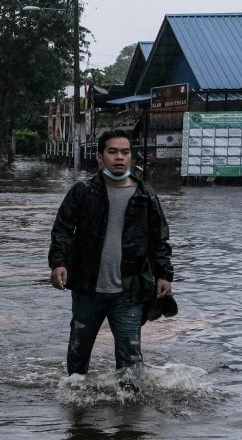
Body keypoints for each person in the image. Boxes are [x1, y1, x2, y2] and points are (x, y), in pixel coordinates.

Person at [48, 128, 173, 390]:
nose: (119, 158)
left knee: (131, 360)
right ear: (100, 156)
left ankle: (129, 418)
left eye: (125, 152)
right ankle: (77, 412)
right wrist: (59, 262)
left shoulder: (145, 196)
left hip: (129, 292)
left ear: (131, 157)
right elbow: (62, 229)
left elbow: (159, 239)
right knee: (78, 354)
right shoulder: (83, 192)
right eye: (113, 152)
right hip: (87, 288)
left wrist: (164, 274)